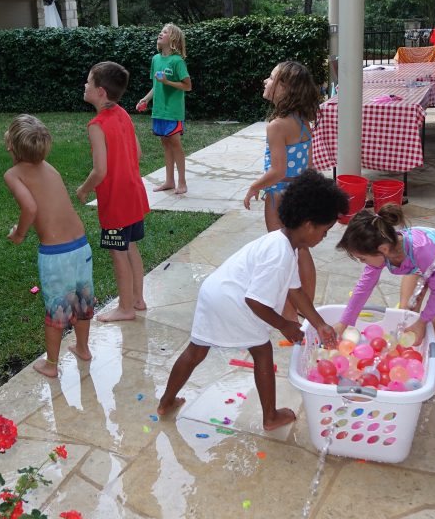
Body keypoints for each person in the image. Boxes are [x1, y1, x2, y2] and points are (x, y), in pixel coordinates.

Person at [156, 171, 347, 431]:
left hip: (215, 293)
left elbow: (296, 291)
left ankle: (166, 402)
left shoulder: (284, 243)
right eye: (325, 231)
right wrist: (284, 325)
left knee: (196, 350)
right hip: (232, 301)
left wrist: (320, 324)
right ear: (308, 225)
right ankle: (270, 417)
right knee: (262, 350)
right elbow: (255, 302)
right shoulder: (280, 255)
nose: (324, 237)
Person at [3, 115, 95, 378]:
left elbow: (30, 208)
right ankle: (83, 348)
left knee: (57, 310)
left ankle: (52, 365)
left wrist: (19, 234)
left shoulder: (13, 174)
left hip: (56, 255)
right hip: (81, 246)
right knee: (82, 303)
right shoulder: (49, 167)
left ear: (11, 145)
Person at [335, 205, 435, 391]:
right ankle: (409, 352)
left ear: (383, 249)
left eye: (363, 258)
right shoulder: (385, 250)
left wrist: (423, 321)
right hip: (415, 263)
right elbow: (363, 287)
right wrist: (345, 322)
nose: (363, 263)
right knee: (406, 311)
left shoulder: (421, 252)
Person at [243, 61, 321, 321]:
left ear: (285, 88)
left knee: (283, 252)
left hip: (279, 197)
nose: (266, 81)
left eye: (271, 77)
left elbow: (277, 170)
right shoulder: (302, 121)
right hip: (298, 192)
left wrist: (254, 186)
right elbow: (308, 165)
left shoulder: (276, 126)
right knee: (301, 249)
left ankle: (289, 312)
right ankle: (304, 306)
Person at [77, 62, 150, 322]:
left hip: (116, 203)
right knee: (131, 247)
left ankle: (126, 308)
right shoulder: (123, 114)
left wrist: (84, 189)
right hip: (134, 194)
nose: (85, 85)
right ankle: (138, 299)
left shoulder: (96, 125)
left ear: (100, 92)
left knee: (118, 253)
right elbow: (137, 153)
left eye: (89, 81)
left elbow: (100, 171)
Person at [135, 23, 192, 194]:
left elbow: (187, 86)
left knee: (175, 145)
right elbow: (156, 85)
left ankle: (182, 182)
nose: (160, 33)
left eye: (165, 32)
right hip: (159, 111)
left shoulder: (177, 61)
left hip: (173, 112)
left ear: (173, 39)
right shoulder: (156, 59)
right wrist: (145, 99)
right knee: (166, 145)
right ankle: (169, 181)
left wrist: (167, 82)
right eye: (161, 31)